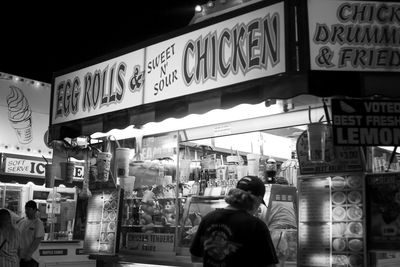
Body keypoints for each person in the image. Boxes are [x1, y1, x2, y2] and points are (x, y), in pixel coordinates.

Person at [190, 175, 279, 267]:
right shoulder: (256, 226)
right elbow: (269, 265)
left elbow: (195, 258)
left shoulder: (208, 219)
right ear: (258, 199)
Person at [17, 200, 44, 267]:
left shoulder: (38, 223)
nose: (26, 211)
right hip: (21, 256)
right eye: (26, 209)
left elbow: (37, 240)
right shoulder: (22, 222)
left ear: (34, 210)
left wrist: (29, 254)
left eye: (29, 209)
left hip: (32, 257)